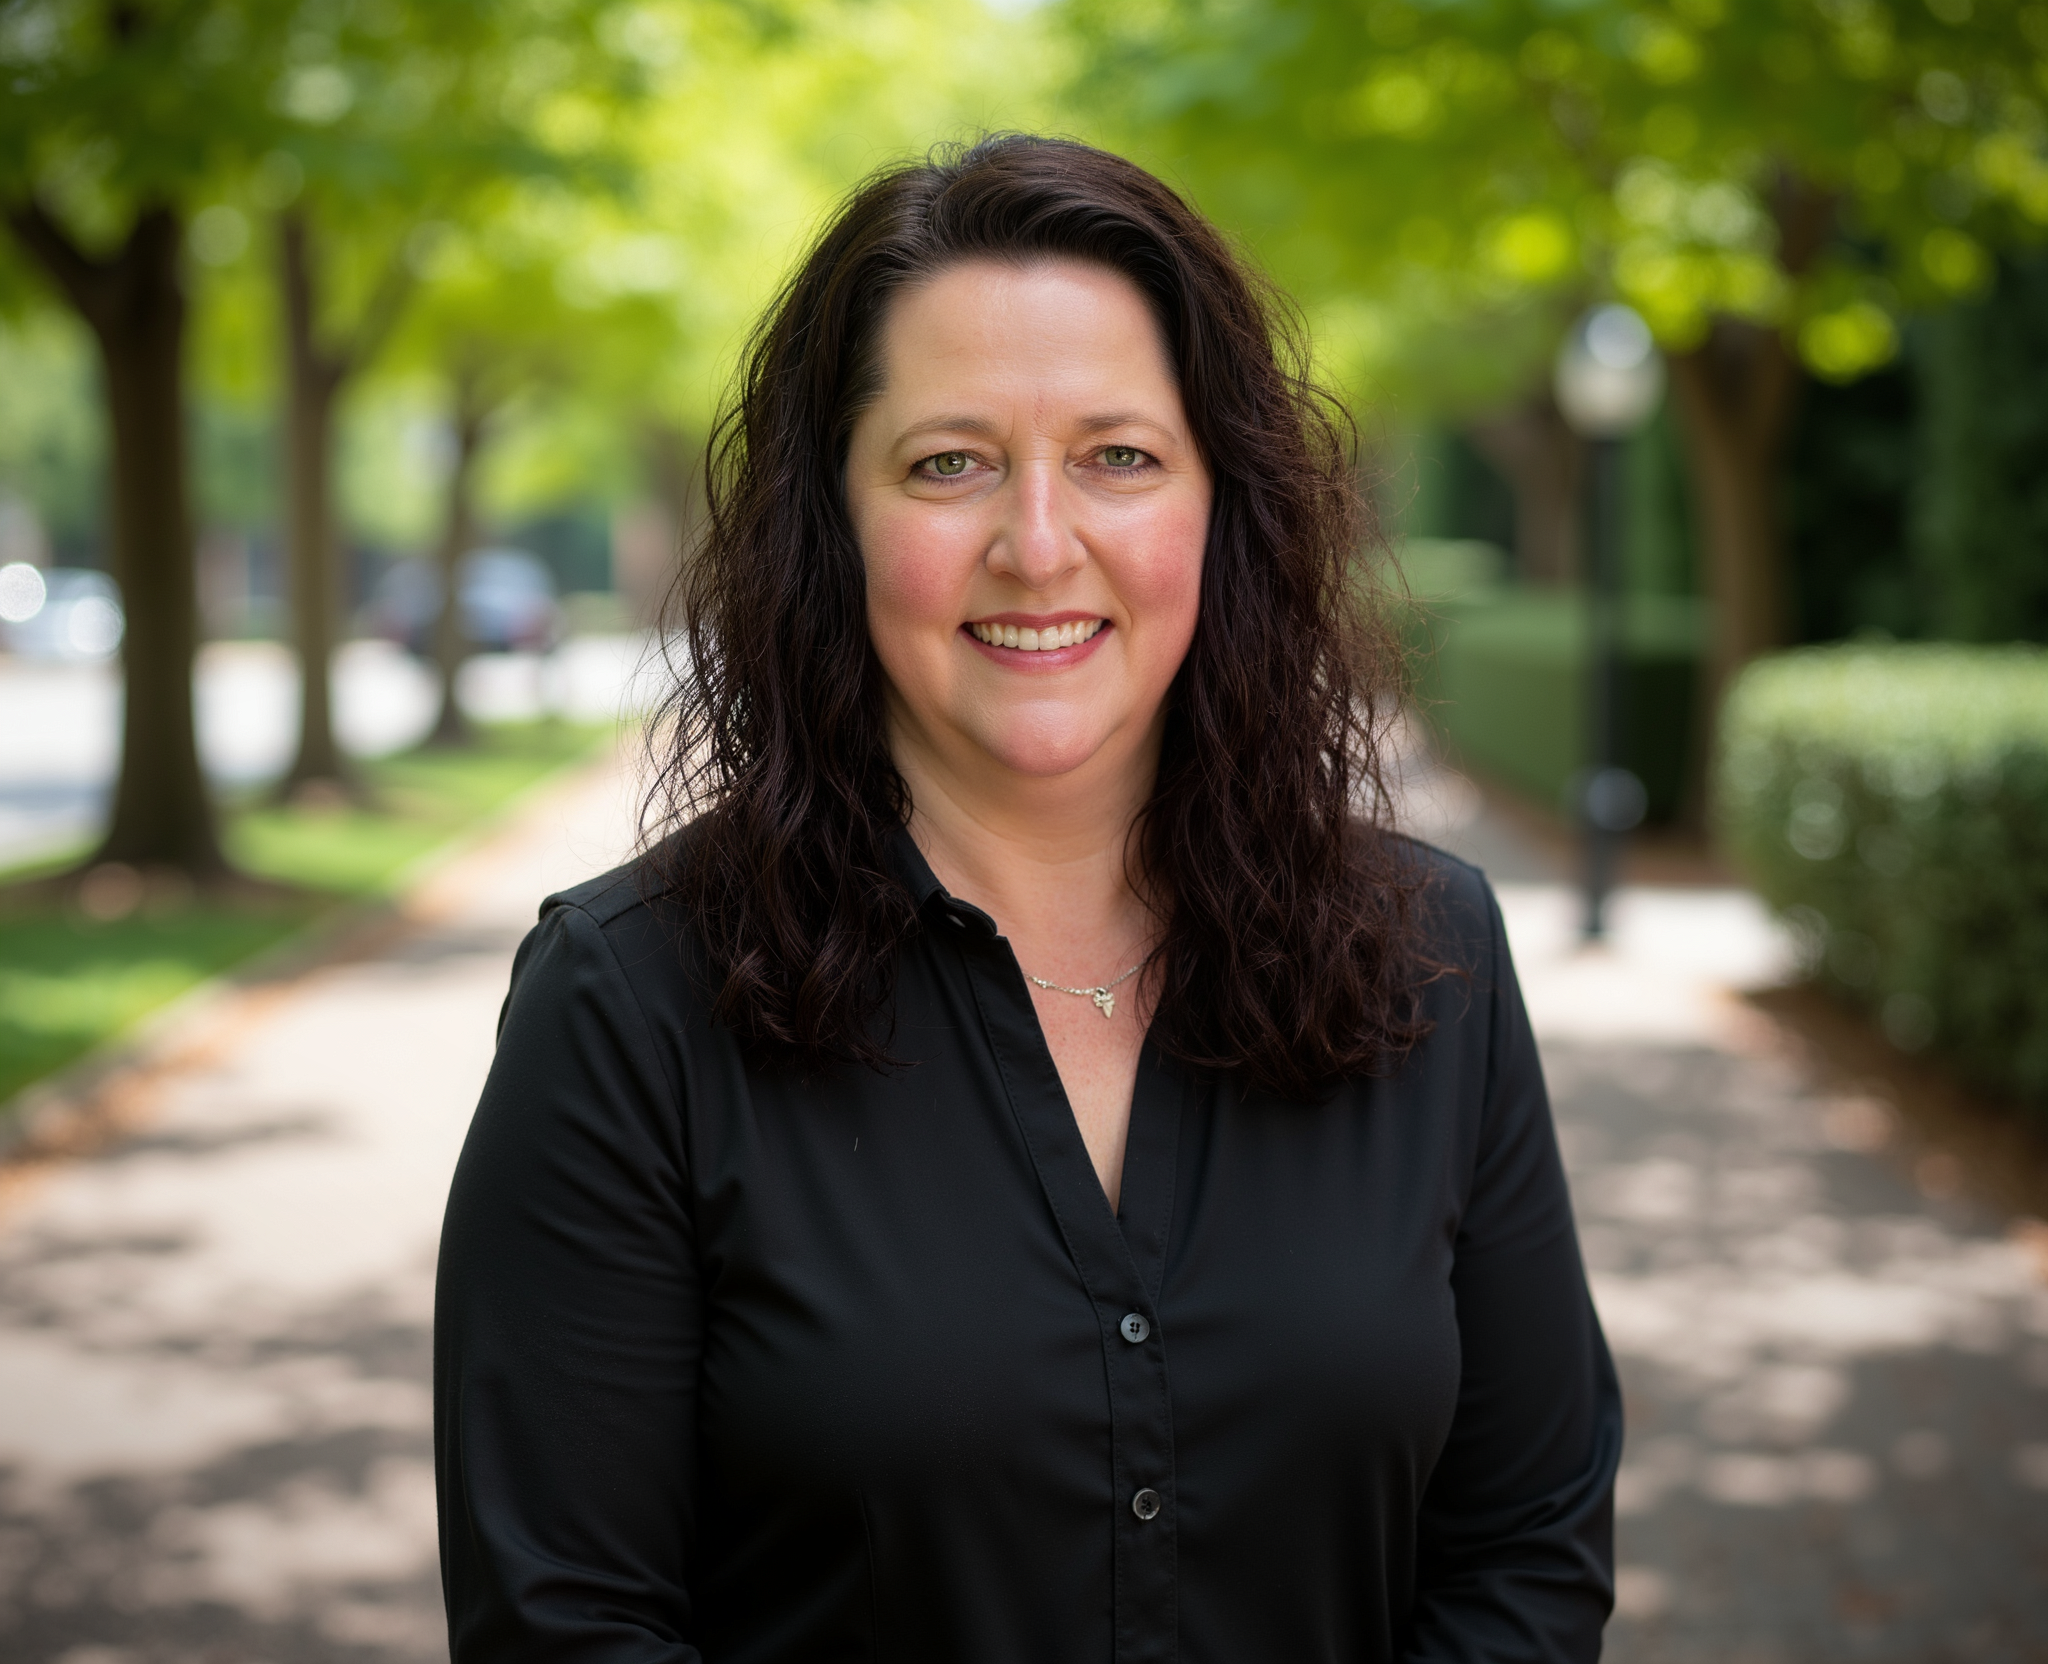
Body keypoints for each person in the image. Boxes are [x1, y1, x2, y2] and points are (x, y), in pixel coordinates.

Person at [434, 134, 1620, 1663]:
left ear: (1220, 508)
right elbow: (566, 1625)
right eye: (951, 462)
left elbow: (1525, 1553)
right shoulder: (628, 1002)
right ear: (835, 521)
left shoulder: (1434, 956)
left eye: (1119, 456)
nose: (1039, 543)